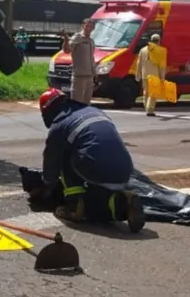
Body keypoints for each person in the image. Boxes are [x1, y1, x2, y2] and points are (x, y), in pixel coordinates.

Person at [33, 88, 145, 233]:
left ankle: (74, 204)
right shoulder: (94, 111)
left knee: (63, 153)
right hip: (125, 170)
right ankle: (125, 200)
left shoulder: (60, 124)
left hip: (96, 168)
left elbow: (51, 161)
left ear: (48, 110)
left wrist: (48, 186)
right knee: (101, 196)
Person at [61, 19, 96, 102]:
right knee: (77, 102)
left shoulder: (91, 41)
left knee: (87, 104)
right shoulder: (77, 37)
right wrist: (66, 39)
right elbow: (67, 50)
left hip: (89, 76)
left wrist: (94, 73)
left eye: (91, 26)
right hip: (79, 76)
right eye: (87, 26)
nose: (89, 28)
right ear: (82, 26)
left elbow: (91, 58)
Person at [137, 33, 167, 117]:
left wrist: (138, 74)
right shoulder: (161, 51)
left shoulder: (143, 50)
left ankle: (146, 107)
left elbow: (139, 63)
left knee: (145, 92)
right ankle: (149, 109)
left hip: (144, 74)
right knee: (152, 94)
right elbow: (162, 66)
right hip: (154, 75)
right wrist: (162, 78)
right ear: (159, 41)